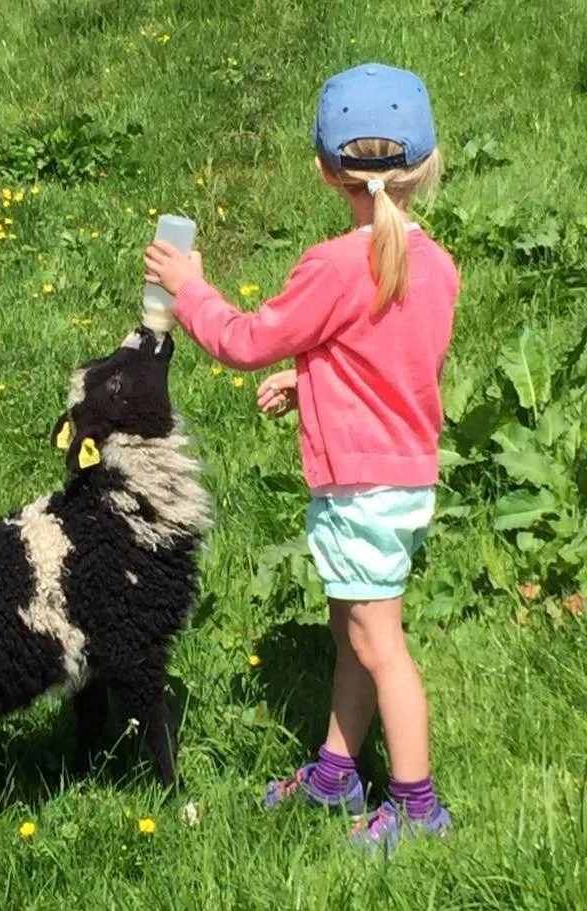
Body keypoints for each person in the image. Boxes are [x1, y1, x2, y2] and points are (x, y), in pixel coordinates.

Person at [143, 62, 458, 852]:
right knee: (351, 631)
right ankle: (335, 772)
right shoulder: (436, 264)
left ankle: (417, 808)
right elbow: (391, 360)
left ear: (324, 168)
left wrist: (189, 287)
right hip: (402, 477)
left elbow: (244, 340)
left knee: (381, 647)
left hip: (360, 490)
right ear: (425, 163)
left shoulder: (334, 264)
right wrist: (311, 376)